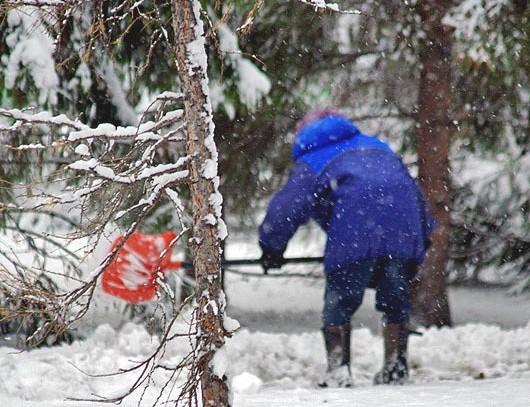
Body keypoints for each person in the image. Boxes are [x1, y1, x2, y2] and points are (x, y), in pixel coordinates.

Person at [258, 110, 435, 387]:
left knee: (340, 301)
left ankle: (339, 371)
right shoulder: (377, 147)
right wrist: (422, 235)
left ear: (303, 134)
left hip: (354, 230)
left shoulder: (314, 157)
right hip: (404, 227)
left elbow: (287, 207)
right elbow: (411, 192)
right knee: (395, 297)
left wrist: (271, 247)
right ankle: (396, 366)